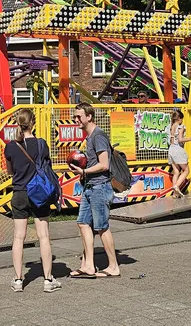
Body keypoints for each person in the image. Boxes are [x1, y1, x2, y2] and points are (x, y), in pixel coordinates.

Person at [3, 110, 60, 293]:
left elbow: (10, 172)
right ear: (33, 123)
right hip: (39, 194)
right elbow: (46, 167)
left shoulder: (11, 147)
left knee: (19, 237)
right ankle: (48, 280)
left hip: (19, 193)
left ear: (18, 124)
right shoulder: (42, 144)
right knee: (43, 235)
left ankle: (18, 280)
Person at [69, 103, 120, 279]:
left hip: (100, 186)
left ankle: (113, 266)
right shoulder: (89, 137)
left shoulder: (98, 136)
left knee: (101, 227)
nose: (76, 119)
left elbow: (104, 164)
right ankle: (88, 265)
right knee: (83, 223)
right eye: (75, 116)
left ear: (89, 117)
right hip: (89, 186)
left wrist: (84, 171)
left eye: (78, 116)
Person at [166, 110, 190, 197]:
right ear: (179, 118)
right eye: (182, 119)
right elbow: (180, 139)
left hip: (171, 149)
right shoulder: (180, 127)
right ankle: (176, 186)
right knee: (186, 170)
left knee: (176, 172)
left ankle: (175, 194)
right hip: (178, 149)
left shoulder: (170, 127)